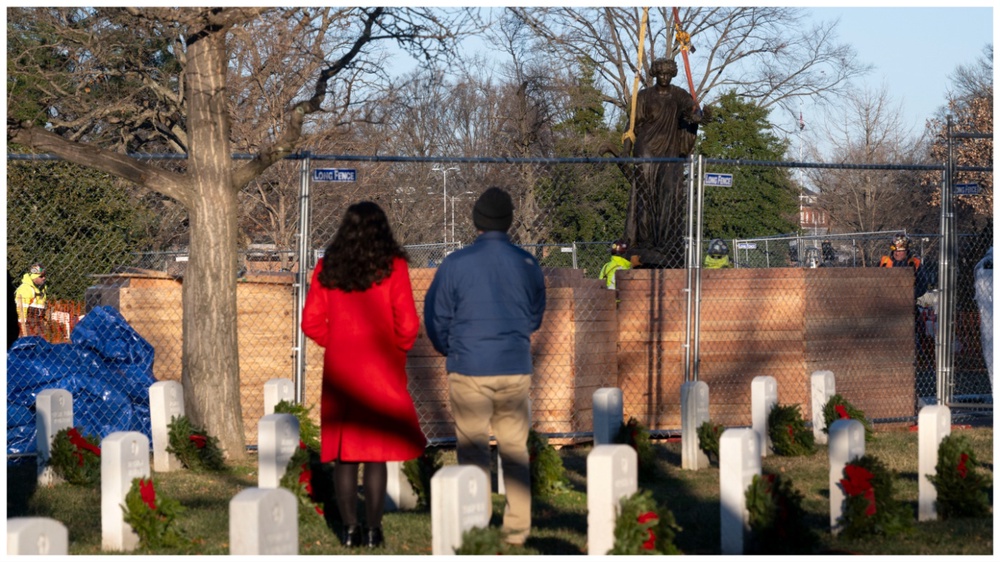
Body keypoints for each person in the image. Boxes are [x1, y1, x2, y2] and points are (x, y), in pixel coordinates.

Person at [424, 187, 546, 547]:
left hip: (469, 366)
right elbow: (535, 314)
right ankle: (518, 528)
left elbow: (436, 316)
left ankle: (476, 519)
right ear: (508, 222)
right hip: (513, 365)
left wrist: (453, 350)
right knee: (514, 447)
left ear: (476, 220)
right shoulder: (527, 263)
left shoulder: (455, 264)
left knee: (472, 446)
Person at [301, 201, 426, 549]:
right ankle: (374, 530)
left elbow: (310, 321)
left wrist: (339, 342)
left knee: (345, 453)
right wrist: (394, 347)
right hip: (380, 367)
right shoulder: (393, 266)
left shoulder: (328, 267)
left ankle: (349, 530)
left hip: (342, 370)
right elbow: (408, 323)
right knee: (375, 452)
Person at [623, 57, 702, 269]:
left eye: (668, 74)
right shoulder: (644, 96)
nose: (664, 78)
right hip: (646, 147)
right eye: (661, 74)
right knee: (644, 193)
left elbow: (693, 112)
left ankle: (668, 243)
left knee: (670, 192)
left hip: (670, 150)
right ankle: (644, 242)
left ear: (673, 75)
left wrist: (699, 116)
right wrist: (625, 151)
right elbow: (631, 126)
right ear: (655, 74)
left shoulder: (679, 95)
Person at [14, 263, 48, 337]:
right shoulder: (26, 288)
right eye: (41, 276)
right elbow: (20, 312)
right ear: (33, 276)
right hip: (27, 326)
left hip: (39, 325)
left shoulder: (42, 289)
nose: (44, 278)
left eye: (45, 276)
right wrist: (22, 329)